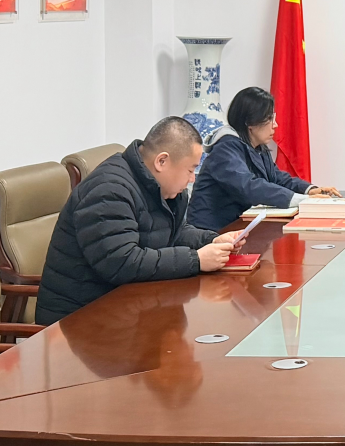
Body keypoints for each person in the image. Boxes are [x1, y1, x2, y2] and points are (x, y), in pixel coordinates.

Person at [37, 117, 243, 325]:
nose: (192, 179)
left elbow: (175, 232)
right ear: (161, 161)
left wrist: (211, 240)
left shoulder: (163, 188)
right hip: (79, 320)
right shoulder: (109, 190)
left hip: (126, 308)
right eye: (190, 170)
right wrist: (196, 260)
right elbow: (122, 262)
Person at [188, 86, 340, 230]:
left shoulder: (258, 147)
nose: (275, 125)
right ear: (250, 122)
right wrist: (301, 200)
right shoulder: (226, 148)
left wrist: (309, 190)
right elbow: (248, 186)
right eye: (269, 119)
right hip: (212, 232)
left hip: (238, 227)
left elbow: (278, 178)